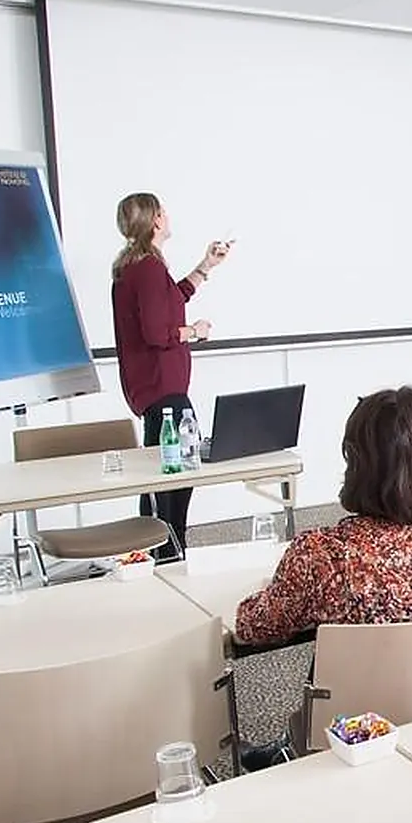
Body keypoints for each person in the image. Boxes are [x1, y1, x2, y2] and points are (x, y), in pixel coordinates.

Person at [234, 387, 412, 647]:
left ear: (355, 462)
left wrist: (282, 588)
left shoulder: (321, 556)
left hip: (358, 689)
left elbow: (253, 627)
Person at [110, 192, 230, 558]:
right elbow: (155, 332)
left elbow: (171, 299)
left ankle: (158, 554)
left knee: (164, 477)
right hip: (163, 390)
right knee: (174, 482)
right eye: (164, 211)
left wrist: (206, 265)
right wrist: (193, 331)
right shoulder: (145, 268)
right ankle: (168, 556)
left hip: (158, 389)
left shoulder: (141, 266)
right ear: (156, 220)